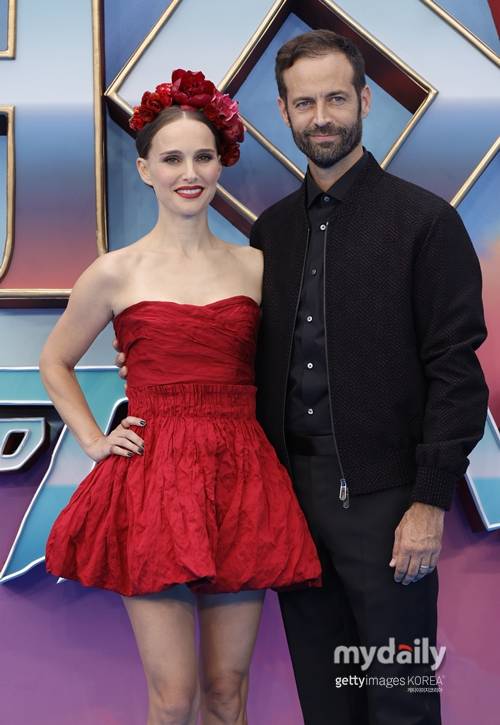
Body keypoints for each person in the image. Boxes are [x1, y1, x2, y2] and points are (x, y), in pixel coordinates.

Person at [116, 33, 488, 724]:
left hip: (390, 502)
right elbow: (240, 353)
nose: (322, 117)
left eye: (336, 99)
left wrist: (429, 501)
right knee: (327, 700)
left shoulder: (425, 223)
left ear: (366, 102)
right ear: (284, 111)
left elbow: (456, 370)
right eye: (305, 103)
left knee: (401, 696)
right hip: (289, 501)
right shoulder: (273, 234)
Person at [41, 69, 321, 725]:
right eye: (171, 159)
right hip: (153, 481)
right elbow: (55, 360)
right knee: (173, 699)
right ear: (145, 170)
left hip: (241, 476)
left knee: (227, 691)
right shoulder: (115, 271)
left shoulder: (257, 267)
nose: (189, 173)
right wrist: (93, 438)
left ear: (222, 163)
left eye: (203, 156)